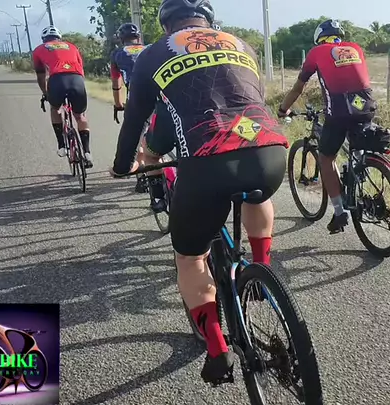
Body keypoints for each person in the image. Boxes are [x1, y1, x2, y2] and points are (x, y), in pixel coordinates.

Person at [108, 0, 289, 384]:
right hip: (270, 152)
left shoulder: (154, 53)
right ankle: (261, 271)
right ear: (209, 20)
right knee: (258, 195)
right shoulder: (241, 43)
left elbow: (137, 118)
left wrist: (124, 165)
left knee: (190, 259)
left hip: (207, 163)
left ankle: (217, 350)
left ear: (166, 25)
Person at [277, 19, 377, 234]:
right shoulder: (355, 48)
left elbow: (298, 87)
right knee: (357, 144)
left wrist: (283, 109)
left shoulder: (316, 52)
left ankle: (340, 211)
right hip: (366, 105)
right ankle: (359, 174)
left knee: (326, 158)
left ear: (319, 38)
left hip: (339, 110)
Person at [32, 26, 94, 168]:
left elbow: (41, 75)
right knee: (80, 116)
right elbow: (81, 68)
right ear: (59, 38)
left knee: (55, 109)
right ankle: (87, 152)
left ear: (44, 39)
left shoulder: (39, 49)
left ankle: (61, 145)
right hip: (77, 80)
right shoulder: (71, 46)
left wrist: (46, 93)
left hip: (57, 80)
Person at [109, 23, 150, 193]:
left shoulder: (117, 54)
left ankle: (142, 177)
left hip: (136, 98)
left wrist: (118, 104)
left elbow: (116, 83)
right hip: (161, 95)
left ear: (121, 39)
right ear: (138, 37)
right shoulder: (150, 48)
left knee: (137, 136)